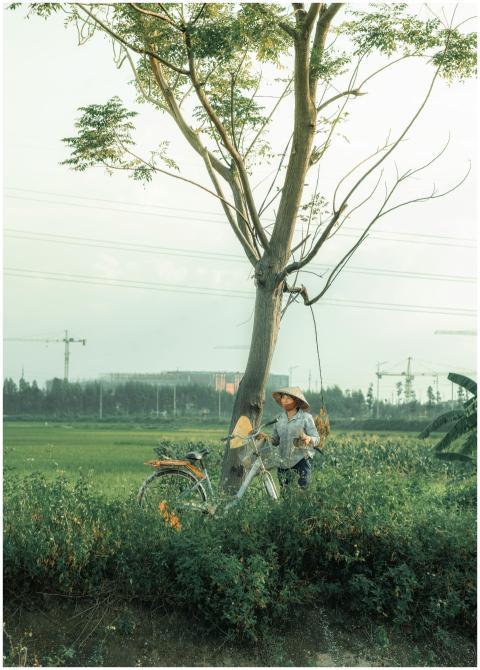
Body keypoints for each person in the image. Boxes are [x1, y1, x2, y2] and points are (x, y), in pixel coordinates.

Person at [270, 386, 320, 489]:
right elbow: (275, 440)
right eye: (283, 398)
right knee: (285, 492)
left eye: (288, 398)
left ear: (296, 401)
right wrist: (265, 438)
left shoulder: (306, 418)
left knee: (302, 491)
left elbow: (316, 438)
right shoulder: (278, 419)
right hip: (283, 462)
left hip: (301, 460)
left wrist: (308, 438)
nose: (285, 400)